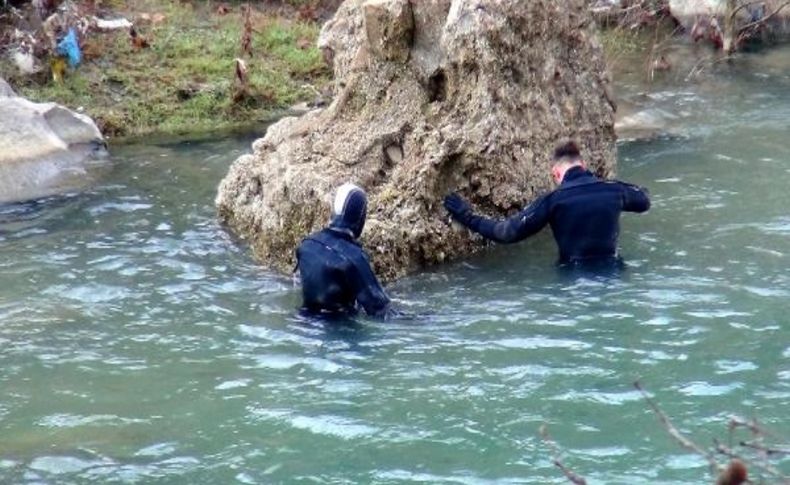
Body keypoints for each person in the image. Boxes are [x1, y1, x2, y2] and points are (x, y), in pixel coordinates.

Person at [443, 141, 650, 267]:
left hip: (573, 278)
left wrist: (466, 215)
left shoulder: (554, 201)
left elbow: (506, 232)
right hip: (613, 272)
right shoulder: (614, 190)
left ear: (556, 173)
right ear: (583, 165)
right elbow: (643, 201)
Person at [295, 183, 393, 318]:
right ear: (360, 217)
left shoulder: (306, 245)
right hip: (338, 330)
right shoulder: (354, 258)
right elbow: (380, 310)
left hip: (303, 321)